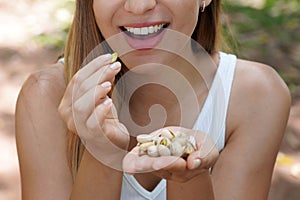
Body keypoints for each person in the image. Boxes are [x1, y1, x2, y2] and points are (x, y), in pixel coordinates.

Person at [15, 0, 291, 199]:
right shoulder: (45, 95)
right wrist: (103, 151)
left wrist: (189, 176)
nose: (139, 5)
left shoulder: (256, 96)